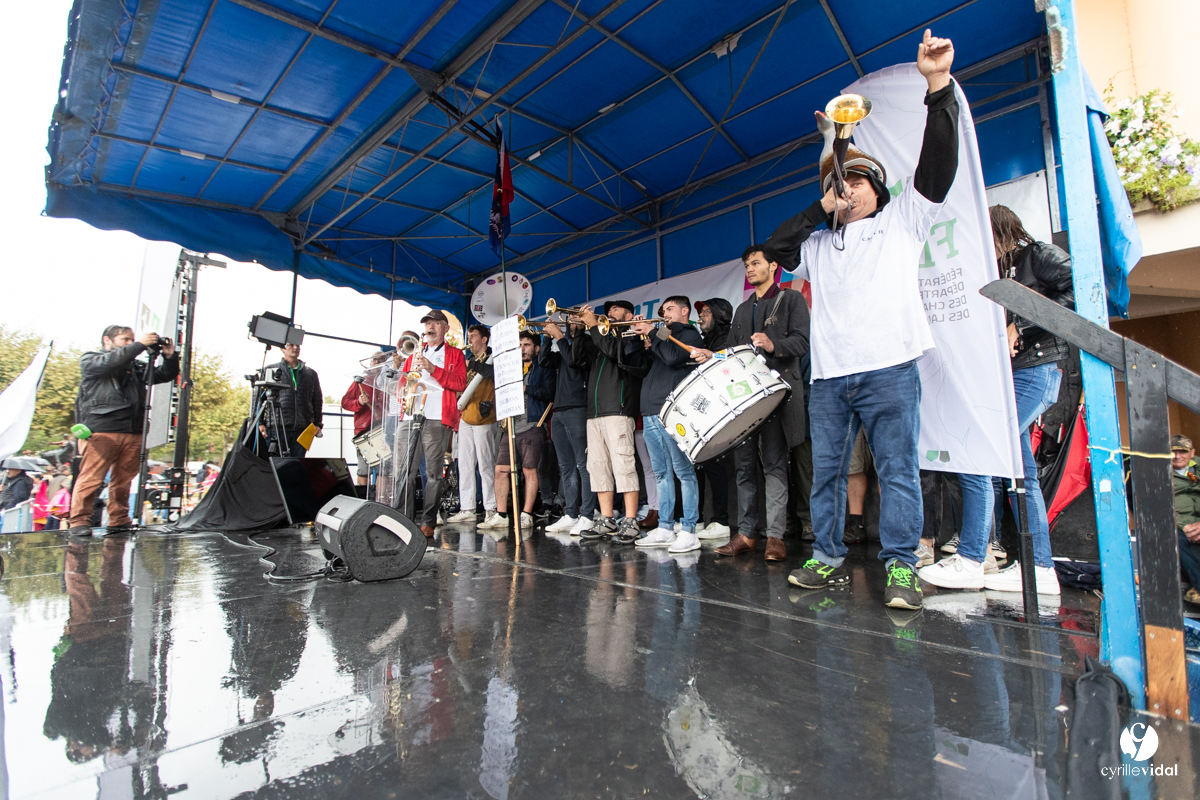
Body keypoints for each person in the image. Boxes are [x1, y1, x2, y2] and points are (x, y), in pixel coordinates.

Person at [769, 29, 958, 609]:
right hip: (830, 378)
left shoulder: (902, 221)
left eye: (855, 181)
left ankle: (901, 567)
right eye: (839, 182)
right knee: (826, 473)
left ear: (876, 190)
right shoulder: (819, 244)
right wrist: (820, 206)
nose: (846, 189)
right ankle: (825, 557)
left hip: (890, 369)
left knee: (897, 471)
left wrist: (938, 85)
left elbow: (937, 166)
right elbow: (776, 248)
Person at [921, 203, 1072, 594]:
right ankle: (1040, 568)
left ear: (1000, 229)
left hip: (1035, 370)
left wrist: (1020, 326)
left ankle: (973, 558)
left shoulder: (1037, 255)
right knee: (1021, 474)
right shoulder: (997, 270)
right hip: (1010, 375)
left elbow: (1080, 289)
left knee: (978, 454)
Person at [693, 246, 810, 563]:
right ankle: (746, 534)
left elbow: (802, 342)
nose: (749, 268)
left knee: (774, 467)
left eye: (756, 263)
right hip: (745, 402)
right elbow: (733, 354)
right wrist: (713, 356)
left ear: (773, 266)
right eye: (746, 264)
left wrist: (774, 344)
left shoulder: (790, 299)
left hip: (776, 398)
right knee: (744, 469)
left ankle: (775, 536)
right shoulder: (744, 310)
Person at [67, 326, 179, 536]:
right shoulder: (91, 359)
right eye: (125, 339)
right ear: (107, 340)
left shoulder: (134, 366)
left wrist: (170, 357)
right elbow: (111, 362)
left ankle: (119, 519)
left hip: (133, 429)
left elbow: (163, 375)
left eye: (132, 339)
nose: (130, 343)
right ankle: (79, 521)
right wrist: (139, 345)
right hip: (103, 429)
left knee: (124, 480)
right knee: (92, 478)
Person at [632, 296, 706, 554]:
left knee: (683, 472)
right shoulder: (662, 338)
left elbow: (674, 358)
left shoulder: (690, 335)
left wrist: (653, 333)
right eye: (663, 310)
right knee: (661, 473)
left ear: (685, 311)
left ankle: (689, 530)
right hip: (650, 411)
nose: (665, 314)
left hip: (672, 413)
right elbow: (643, 365)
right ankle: (665, 527)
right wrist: (643, 338)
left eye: (670, 309)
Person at [574, 300, 650, 544]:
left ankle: (630, 521)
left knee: (623, 464)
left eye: (615, 309)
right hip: (594, 412)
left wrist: (593, 327)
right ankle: (606, 519)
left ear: (629, 315)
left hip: (618, 410)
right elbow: (576, 360)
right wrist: (578, 331)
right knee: (597, 466)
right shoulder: (600, 337)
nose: (609, 312)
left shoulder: (630, 337)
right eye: (609, 310)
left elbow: (614, 353)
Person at [394, 310, 468, 538]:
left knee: (434, 473)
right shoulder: (413, 354)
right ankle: (403, 520)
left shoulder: (455, 354)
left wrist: (433, 369)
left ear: (445, 328)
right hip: (410, 416)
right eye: (427, 324)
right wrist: (403, 389)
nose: (430, 327)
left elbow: (460, 383)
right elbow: (401, 386)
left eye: (436, 323)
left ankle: (428, 521)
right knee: (404, 471)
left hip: (437, 417)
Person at [480, 330, 555, 531]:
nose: (522, 349)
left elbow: (550, 392)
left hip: (532, 425)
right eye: (519, 345)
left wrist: (525, 389)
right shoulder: (512, 369)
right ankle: (501, 514)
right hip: (510, 426)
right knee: (500, 470)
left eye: (527, 345)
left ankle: (526, 515)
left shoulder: (543, 367)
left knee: (529, 470)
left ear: (537, 348)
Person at [541, 317, 598, 534]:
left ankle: (588, 514)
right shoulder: (566, 345)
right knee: (566, 466)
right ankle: (571, 514)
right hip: (559, 411)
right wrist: (547, 339)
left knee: (584, 465)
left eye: (575, 320)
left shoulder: (587, 343)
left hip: (578, 408)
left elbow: (574, 360)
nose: (571, 323)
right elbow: (544, 361)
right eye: (570, 320)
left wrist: (559, 337)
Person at [448, 325, 501, 525]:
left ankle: (491, 508)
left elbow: (492, 373)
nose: (469, 340)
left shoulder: (493, 357)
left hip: (484, 417)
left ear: (485, 339)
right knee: (465, 464)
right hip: (466, 415)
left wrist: (470, 364)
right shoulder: (469, 360)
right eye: (468, 336)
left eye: (473, 336)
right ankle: (467, 508)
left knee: (486, 465)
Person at [692, 298, 734, 540]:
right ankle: (697, 519)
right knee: (699, 467)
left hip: (721, 409)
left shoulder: (729, 335)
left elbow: (731, 360)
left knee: (716, 468)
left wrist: (713, 355)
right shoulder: (704, 339)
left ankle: (721, 521)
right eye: (701, 312)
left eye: (706, 311)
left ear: (719, 314)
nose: (701, 316)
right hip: (703, 408)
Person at [266, 342, 323, 457]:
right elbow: (260, 397)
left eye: (297, 345)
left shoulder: (310, 374)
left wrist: (318, 423)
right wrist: (261, 423)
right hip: (278, 427)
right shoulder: (271, 370)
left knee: (297, 464)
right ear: (282, 348)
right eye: (291, 345)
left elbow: (317, 400)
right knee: (278, 464)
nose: (296, 347)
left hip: (303, 429)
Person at [340, 349, 388, 486]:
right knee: (363, 470)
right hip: (364, 431)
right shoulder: (361, 381)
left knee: (383, 471)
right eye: (374, 359)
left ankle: (379, 498)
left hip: (382, 429)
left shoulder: (386, 383)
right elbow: (345, 402)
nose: (376, 362)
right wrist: (359, 402)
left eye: (380, 360)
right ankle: (362, 497)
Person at [1170, 435, 1200, 606]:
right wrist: (1184, 526)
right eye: (1173, 452)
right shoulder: (1157, 471)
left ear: (1192, 453)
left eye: (1183, 452)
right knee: (1174, 539)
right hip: (1178, 524)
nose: (1177, 456)